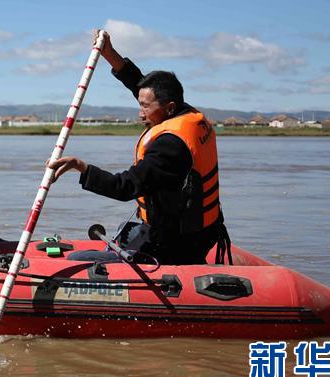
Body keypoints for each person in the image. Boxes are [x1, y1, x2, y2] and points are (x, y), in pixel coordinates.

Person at [49, 30, 232, 265]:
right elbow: (139, 84)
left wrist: (81, 167)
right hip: (201, 231)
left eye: (145, 107)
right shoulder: (183, 112)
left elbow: (124, 187)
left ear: (169, 108)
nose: (140, 112)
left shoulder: (170, 146)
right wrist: (109, 53)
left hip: (177, 243)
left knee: (77, 259)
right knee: (124, 230)